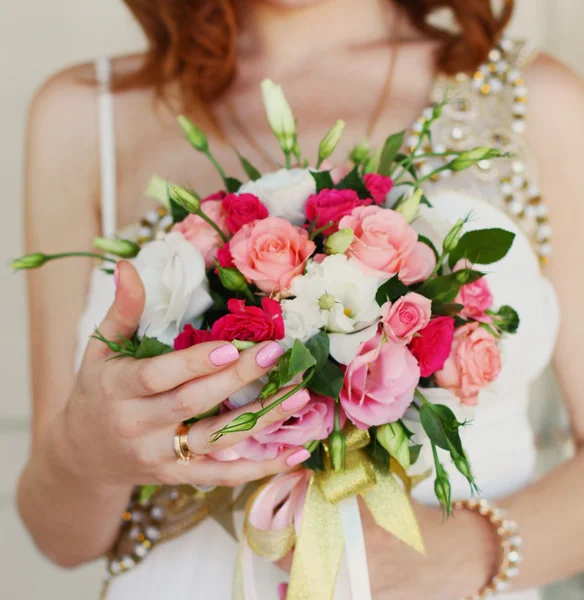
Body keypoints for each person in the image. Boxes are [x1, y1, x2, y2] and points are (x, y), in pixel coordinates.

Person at [17, 0, 584, 598]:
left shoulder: (536, 100)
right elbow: (60, 538)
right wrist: (89, 452)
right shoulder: (86, 113)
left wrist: (456, 555)